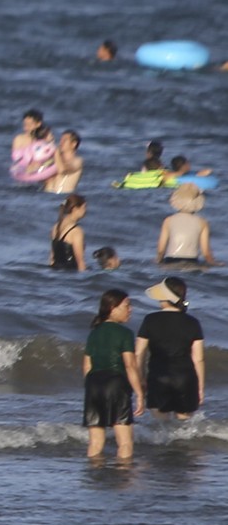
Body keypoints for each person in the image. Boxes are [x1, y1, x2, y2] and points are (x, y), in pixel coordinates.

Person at [83, 289, 145, 460]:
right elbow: (130, 365)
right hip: (116, 383)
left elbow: (87, 366)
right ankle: (123, 478)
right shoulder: (124, 333)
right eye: (126, 305)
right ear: (112, 307)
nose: (130, 309)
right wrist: (140, 393)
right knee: (125, 442)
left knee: (95, 442)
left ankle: (94, 476)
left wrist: (90, 389)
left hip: (93, 384)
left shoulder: (94, 332)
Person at [135, 277, 204, 421]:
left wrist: (140, 380)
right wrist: (200, 388)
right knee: (184, 428)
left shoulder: (150, 320)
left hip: (159, 377)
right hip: (185, 379)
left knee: (162, 428)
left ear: (165, 298)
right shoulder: (193, 322)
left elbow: (139, 354)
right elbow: (198, 359)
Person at [158, 185, 214, 266]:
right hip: (192, 261)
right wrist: (216, 263)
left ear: (175, 201)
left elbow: (161, 251)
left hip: (170, 260)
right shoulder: (202, 223)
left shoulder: (168, 221)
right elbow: (206, 254)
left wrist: (158, 261)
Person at [49, 195, 88, 271]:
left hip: (55, 271)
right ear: (75, 209)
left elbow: (52, 259)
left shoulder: (55, 227)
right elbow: (80, 262)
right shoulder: (76, 231)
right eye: (84, 207)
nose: (85, 211)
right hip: (70, 273)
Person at [46, 129, 85, 194]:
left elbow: (62, 170)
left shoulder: (77, 161)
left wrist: (56, 153)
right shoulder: (54, 159)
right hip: (44, 197)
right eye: (61, 140)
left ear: (73, 144)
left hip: (62, 196)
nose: (61, 142)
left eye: (65, 140)